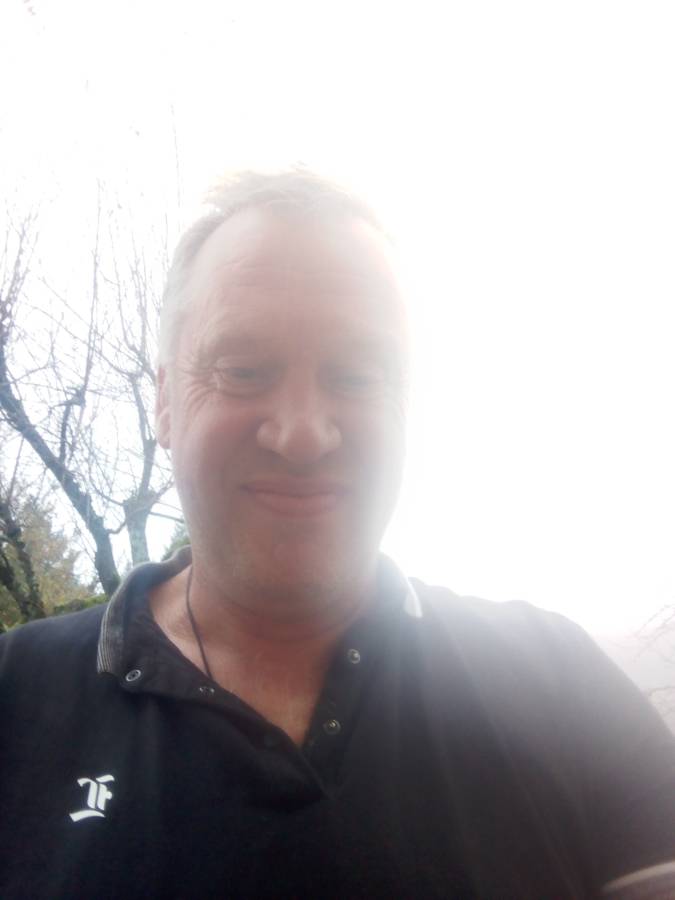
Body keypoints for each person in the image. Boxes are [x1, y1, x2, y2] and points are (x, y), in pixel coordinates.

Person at [1, 169, 674, 900]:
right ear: (165, 401)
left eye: (355, 376)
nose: (301, 435)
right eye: (243, 370)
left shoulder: (562, 687)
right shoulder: (16, 699)